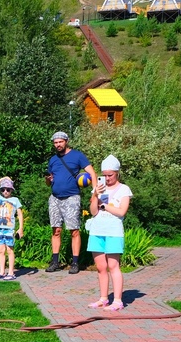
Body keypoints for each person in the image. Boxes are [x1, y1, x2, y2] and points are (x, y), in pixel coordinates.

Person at [86, 155, 132, 312]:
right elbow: (93, 212)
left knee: (113, 265)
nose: (107, 178)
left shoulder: (124, 189)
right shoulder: (99, 188)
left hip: (113, 232)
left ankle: (118, 300)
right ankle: (103, 298)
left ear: (117, 173)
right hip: (97, 230)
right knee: (101, 267)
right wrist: (95, 195)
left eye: (110, 175)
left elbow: (122, 211)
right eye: (104, 175)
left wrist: (104, 206)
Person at [45, 132, 95, 275]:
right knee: (56, 230)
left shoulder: (77, 156)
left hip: (72, 197)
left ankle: (75, 263)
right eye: (55, 143)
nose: (58, 145)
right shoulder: (53, 160)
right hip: (55, 198)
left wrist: (94, 193)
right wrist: (48, 180)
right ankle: (55, 262)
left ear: (66, 141)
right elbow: (49, 182)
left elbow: (92, 173)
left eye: (60, 142)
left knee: (74, 230)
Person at [0, 176, 24, 280]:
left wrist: (20, 228)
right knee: (1, 250)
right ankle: (2, 272)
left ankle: (11, 272)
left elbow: (20, 214)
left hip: (9, 229)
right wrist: (3, 178)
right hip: (0, 228)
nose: (5, 191)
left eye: (8, 189)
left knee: (10, 250)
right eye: (3, 189)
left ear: (11, 190)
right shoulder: (0, 198)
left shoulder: (15, 200)